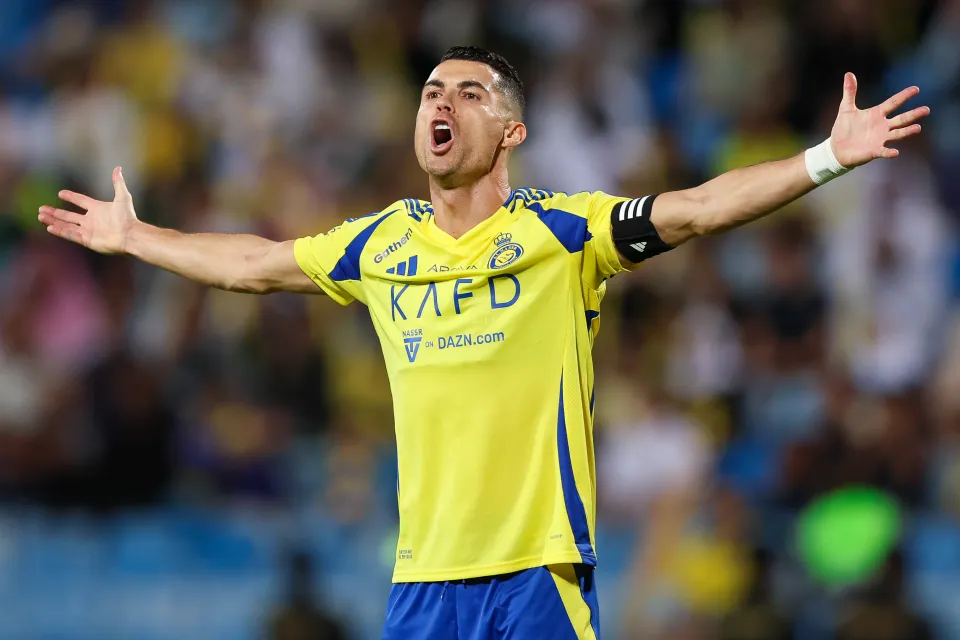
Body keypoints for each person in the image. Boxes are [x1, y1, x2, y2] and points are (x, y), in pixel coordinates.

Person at [37, 46, 928, 640]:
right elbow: (257, 265)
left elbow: (695, 208)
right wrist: (137, 237)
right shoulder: (380, 243)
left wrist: (826, 159)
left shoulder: (564, 233)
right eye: (431, 90)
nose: (441, 102)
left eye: (469, 93)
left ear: (511, 132)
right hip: (424, 580)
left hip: (538, 572)